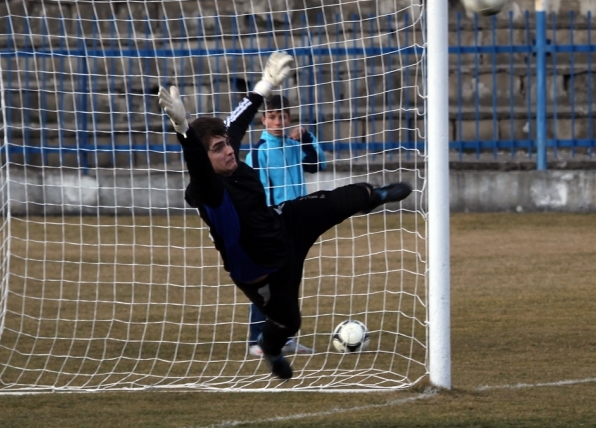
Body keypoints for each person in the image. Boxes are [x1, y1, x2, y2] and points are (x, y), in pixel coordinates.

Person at [157, 51, 411, 380]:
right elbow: (195, 160)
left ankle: (374, 196)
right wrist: (182, 128)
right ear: (204, 159)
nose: (229, 150)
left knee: (341, 199)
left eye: (226, 144)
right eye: (218, 148)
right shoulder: (209, 191)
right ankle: (271, 349)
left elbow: (238, 121)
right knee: (289, 322)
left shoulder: (227, 153)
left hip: (284, 224)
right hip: (262, 270)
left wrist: (264, 84)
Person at [243, 94, 326, 358]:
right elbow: (258, 194)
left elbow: (317, 163)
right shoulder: (258, 153)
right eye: (273, 117)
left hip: (296, 223)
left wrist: (307, 137)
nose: (279, 122)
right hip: (271, 226)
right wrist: (266, 226)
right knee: (268, 283)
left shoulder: (294, 146)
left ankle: (284, 338)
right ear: (263, 120)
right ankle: (258, 339)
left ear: (290, 118)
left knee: (287, 283)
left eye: (283, 116)